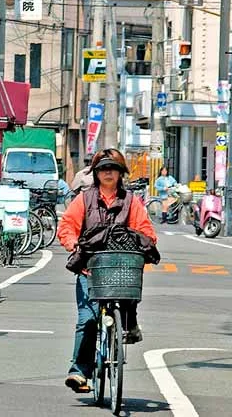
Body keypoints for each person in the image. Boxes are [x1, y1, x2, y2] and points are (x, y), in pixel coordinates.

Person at [56, 148, 158, 394]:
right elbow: (67, 226)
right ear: (96, 173)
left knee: (128, 300)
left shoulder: (132, 202)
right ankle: (79, 372)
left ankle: (129, 324)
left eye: (112, 168)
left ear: (121, 172)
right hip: (89, 270)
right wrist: (73, 244)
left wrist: (144, 243)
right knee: (88, 319)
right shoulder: (84, 199)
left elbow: (146, 231)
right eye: (103, 168)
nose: (108, 172)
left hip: (121, 270)